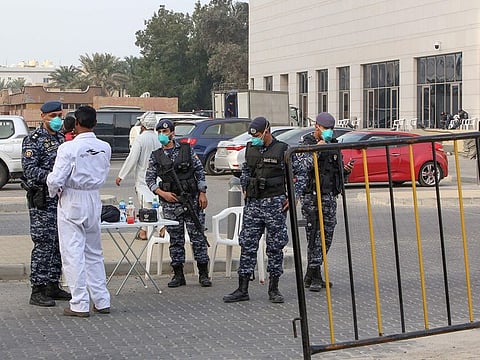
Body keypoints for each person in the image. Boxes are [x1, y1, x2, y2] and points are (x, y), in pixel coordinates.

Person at [46, 106, 112, 317]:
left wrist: (52, 189)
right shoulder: (105, 147)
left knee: (73, 253)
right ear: (94, 123)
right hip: (93, 197)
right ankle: (102, 300)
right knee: (94, 252)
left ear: (76, 124)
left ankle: (80, 303)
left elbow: (56, 179)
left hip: (72, 198)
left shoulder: (68, 148)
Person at [223, 116, 292, 303]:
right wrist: (245, 185)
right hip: (253, 204)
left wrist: (294, 197)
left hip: (274, 203)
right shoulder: (250, 148)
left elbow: (298, 175)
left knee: (275, 246)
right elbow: (245, 170)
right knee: (247, 244)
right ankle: (242, 289)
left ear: (267, 132)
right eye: (253, 135)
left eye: (259, 135)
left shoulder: (283, 150)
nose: (255, 138)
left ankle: (274, 289)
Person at [145, 119, 212, 288]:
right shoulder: (156, 156)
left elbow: (199, 171)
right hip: (171, 202)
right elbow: (149, 179)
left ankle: (203, 274)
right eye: (159, 132)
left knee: (198, 237)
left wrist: (202, 192)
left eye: (165, 132)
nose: (162, 135)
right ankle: (178, 274)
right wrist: (162, 193)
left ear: (173, 133)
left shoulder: (186, 150)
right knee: (175, 239)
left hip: (191, 199)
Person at [296, 112, 353, 291]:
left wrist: (346, 171)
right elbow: (302, 168)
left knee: (326, 237)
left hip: (329, 196)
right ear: (317, 127)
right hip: (311, 197)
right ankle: (314, 276)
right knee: (313, 236)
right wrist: (317, 152)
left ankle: (312, 273)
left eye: (331, 129)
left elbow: (336, 172)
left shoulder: (333, 146)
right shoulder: (305, 144)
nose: (329, 132)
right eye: (326, 129)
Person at [21, 100, 71, 307]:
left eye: (60, 115)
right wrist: (54, 177)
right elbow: (30, 170)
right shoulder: (33, 140)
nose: (58, 119)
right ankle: (38, 289)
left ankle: (53, 284)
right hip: (42, 199)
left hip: (61, 199)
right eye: (53, 116)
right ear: (43, 117)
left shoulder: (62, 138)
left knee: (59, 243)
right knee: (43, 243)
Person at [115, 111, 161, 240]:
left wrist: (121, 175)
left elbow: (132, 158)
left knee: (146, 203)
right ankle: (143, 230)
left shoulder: (140, 139)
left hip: (143, 177)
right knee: (154, 203)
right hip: (157, 176)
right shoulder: (158, 138)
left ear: (143, 125)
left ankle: (159, 229)